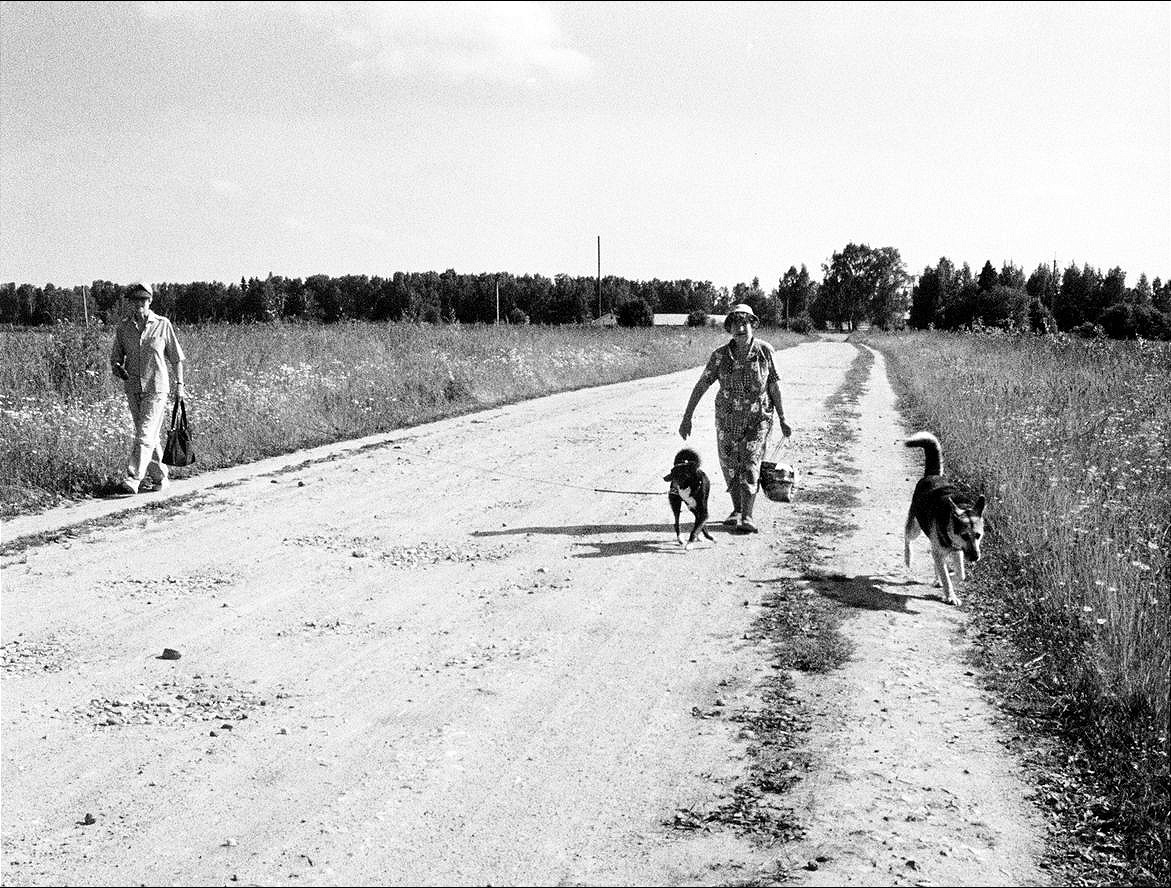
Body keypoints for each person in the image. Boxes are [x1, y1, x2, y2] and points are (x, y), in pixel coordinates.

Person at [678, 303, 791, 533]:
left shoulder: (764, 351)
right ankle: (737, 510)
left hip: (758, 418)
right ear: (729, 328)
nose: (740, 327)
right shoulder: (720, 356)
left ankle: (748, 516)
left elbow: (774, 387)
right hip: (727, 419)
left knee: (749, 462)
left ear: (753, 325)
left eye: (744, 322)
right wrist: (687, 416)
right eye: (735, 324)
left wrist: (782, 417)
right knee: (730, 464)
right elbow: (702, 385)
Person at [109, 282, 186, 494]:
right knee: (148, 436)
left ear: (150, 301)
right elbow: (116, 359)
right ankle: (161, 476)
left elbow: (177, 358)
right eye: (134, 301)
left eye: (143, 300)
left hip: (157, 388)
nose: (138, 305)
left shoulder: (162, 324)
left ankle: (133, 478)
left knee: (144, 433)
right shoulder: (123, 328)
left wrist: (180, 385)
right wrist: (118, 369)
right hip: (133, 388)